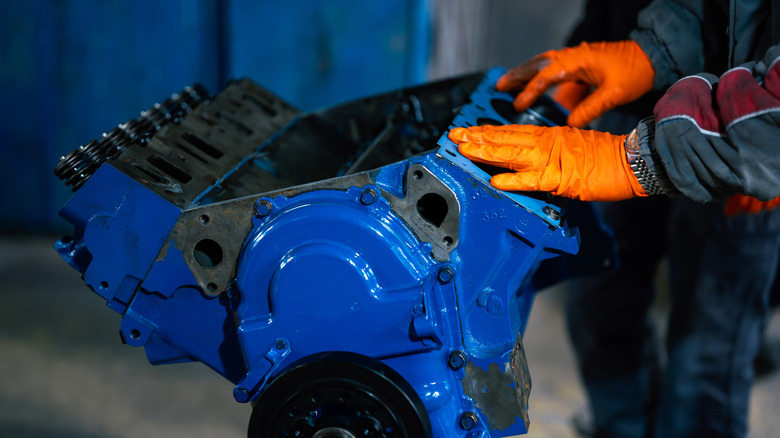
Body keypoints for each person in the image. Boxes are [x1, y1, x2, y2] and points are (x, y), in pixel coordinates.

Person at [447, 1, 780, 437]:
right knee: (600, 306)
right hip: (649, 101)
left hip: (739, 136)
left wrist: (749, 153)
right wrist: (649, 52)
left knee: (707, 350)